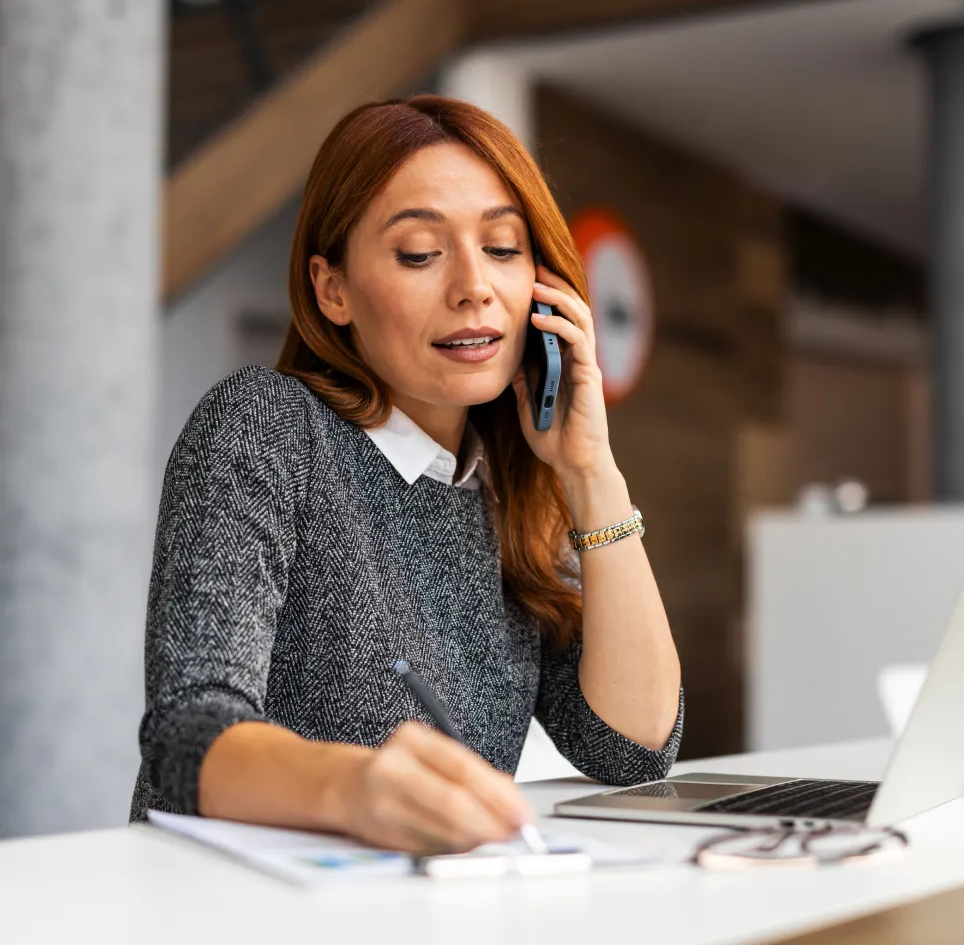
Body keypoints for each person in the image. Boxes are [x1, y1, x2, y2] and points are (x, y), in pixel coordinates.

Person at [130, 95, 683, 854]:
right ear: (333, 290)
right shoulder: (266, 425)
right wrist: (355, 789)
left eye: (503, 248)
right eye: (421, 253)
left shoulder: (509, 483)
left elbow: (632, 747)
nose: (473, 287)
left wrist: (592, 472)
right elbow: (187, 733)